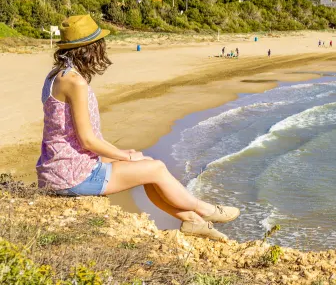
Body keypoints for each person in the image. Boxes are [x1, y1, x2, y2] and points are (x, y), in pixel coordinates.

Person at [37, 15, 238, 240]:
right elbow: (87, 140)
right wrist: (123, 155)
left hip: (60, 166)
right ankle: (206, 211)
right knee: (156, 168)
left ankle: (193, 221)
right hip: (72, 175)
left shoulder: (56, 76)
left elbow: (80, 139)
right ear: (90, 49)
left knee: (146, 163)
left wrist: (126, 156)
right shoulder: (75, 82)